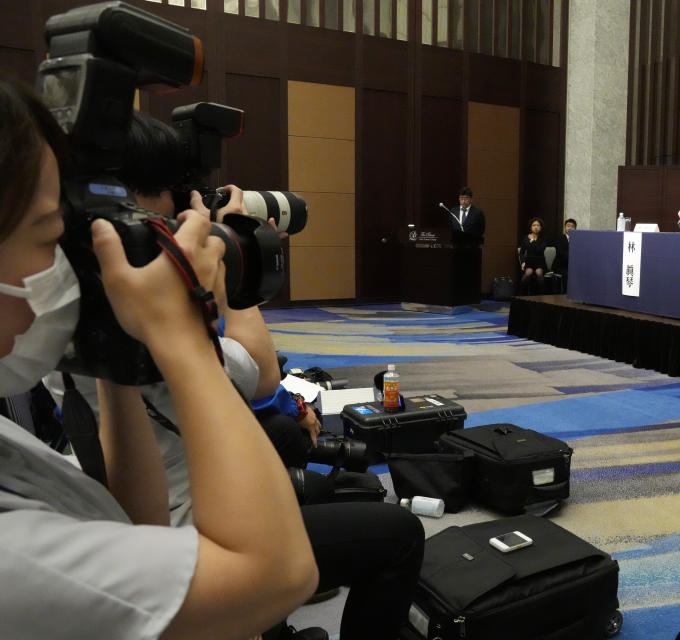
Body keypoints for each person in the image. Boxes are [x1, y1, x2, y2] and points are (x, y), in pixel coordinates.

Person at [41, 110, 425, 639]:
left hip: (140, 512)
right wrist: (229, 240)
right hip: (197, 538)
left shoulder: (67, 322)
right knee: (399, 532)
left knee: (287, 437)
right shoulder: (146, 329)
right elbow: (263, 374)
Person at [0, 76, 318, 639]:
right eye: (52, 235)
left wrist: (114, 352)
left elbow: (132, 521)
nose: (69, 268)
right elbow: (279, 574)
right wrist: (181, 335)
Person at [519, 217, 548, 294]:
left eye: (538, 225)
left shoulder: (544, 238)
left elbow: (539, 250)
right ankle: (521, 295)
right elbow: (521, 252)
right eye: (533, 225)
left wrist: (532, 240)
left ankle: (540, 296)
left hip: (540, 262)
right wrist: (523, 262)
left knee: (539, 273)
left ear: (541, 227)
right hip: (529, 262)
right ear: (530, 227)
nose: (536, 227)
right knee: (528, 273)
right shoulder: (526, 238)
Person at [552, 218, 576, 286]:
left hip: (573, 265)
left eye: (572, 226)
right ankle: (565, 294)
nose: (570, 228)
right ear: (565, 228)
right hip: (561, 265)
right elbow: (560, 252)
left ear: (575, 229)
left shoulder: (578, 240)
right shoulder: (559, 238)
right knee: (568, 274)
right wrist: (573, 257)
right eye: (568, 226)